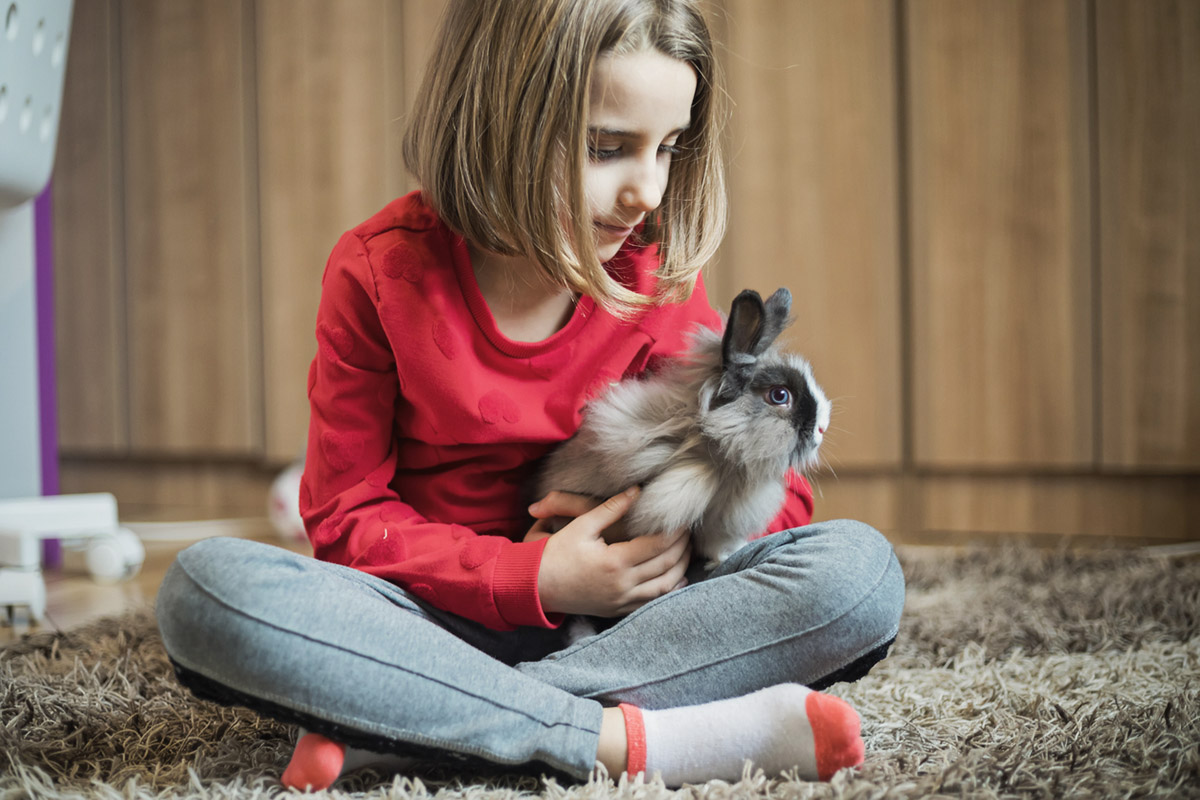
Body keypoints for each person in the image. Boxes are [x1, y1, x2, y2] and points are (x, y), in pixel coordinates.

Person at [155, 0, 905, 790]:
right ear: (498, 116)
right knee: (207, 593)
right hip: (426, 623)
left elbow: (769, 492)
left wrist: (669, 554)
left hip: (634, 623)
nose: (648, 190)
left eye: (669, 149)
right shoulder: (377, 275)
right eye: (608, 147)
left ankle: (420, 728)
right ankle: (631, 739)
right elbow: (344, 518)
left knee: (860, 574)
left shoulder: (657, 281)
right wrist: (536, 579)